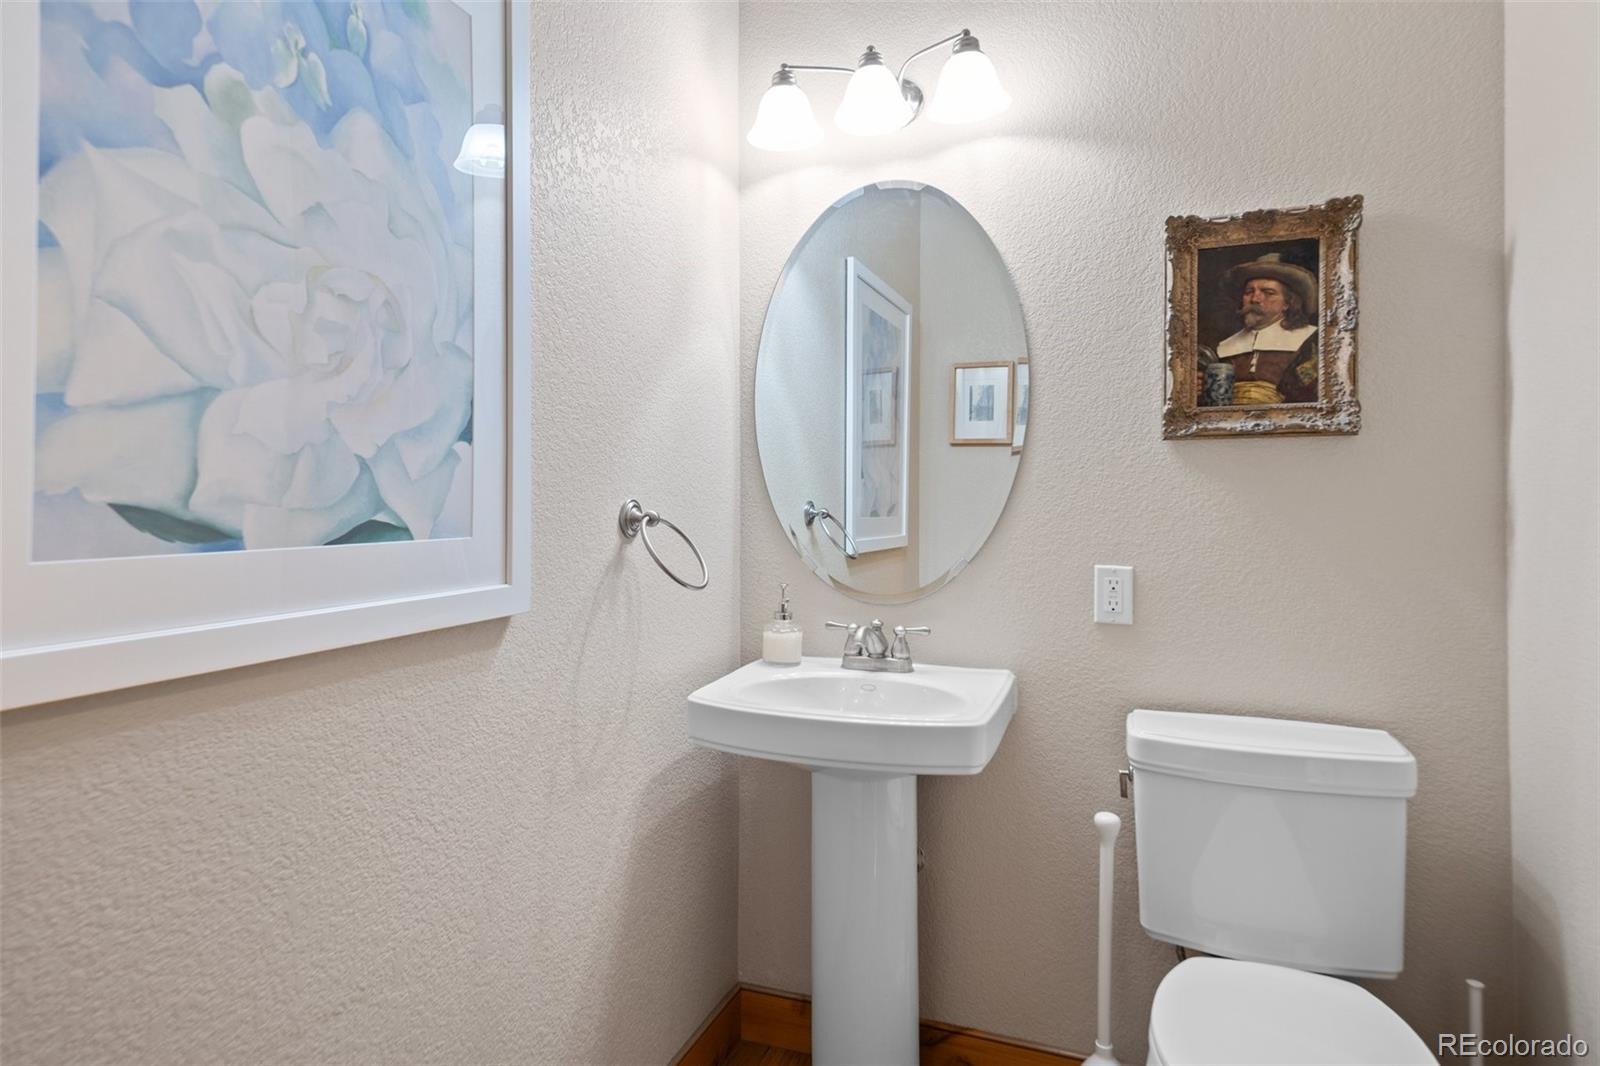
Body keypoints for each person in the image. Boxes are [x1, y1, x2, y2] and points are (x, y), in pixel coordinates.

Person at [1200, 253, 1319, 405]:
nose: (1255, 299)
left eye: (1268, 293)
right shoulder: (1224, 346)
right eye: (1249, 292)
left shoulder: (1310, 339)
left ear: (1287, 303)